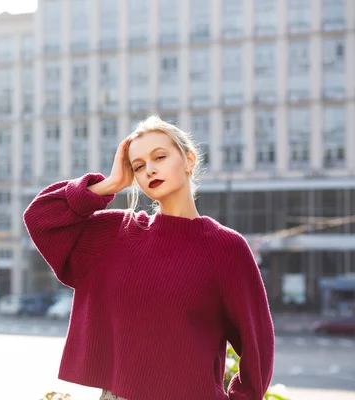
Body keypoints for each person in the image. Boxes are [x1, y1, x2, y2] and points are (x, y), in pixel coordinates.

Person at [23, 116, 275, 400]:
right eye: (139, 166)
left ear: (189, 160)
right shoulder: (117, 233)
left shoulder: (226, 247)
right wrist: (111, 184)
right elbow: (40, 218)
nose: (150, 170)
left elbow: (258, 346)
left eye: (160, 157)